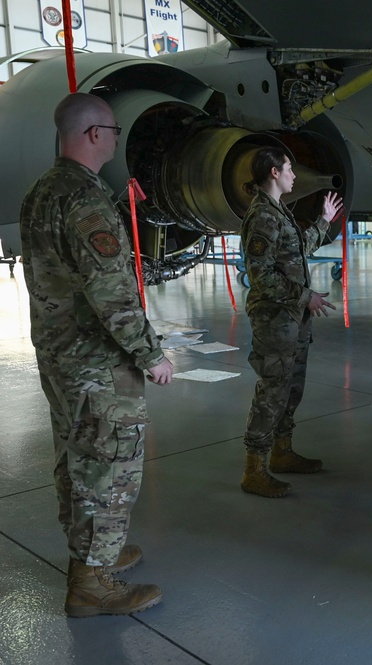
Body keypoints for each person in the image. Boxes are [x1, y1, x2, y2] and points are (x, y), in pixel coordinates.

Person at [19, 92, 174, 617]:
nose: (115, 137)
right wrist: (151, 355)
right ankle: (91, 582)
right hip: (95, 363)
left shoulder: (43, 191)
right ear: (92, 135)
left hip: (60, 355)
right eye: (112, 129)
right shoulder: (85, 199)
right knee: (109, 462)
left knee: (76, 456)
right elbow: (110, 291)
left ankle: (92, 555)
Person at [239, 147, 343, 498]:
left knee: (290, 388)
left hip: (293, 320)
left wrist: (325, 221)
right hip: (275, 320)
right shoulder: (263, 217)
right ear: (273, 173)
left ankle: (282, 453)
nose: (294, 175)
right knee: (272, 392)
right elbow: (261, 274)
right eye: (289, 168)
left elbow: (297, 250)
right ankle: (254, 469)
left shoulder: (278, 212)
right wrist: (305, 297)